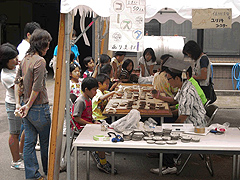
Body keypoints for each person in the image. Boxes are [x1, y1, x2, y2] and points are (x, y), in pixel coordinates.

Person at [150, 57, 206, 175]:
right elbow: (174, 100)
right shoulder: (184, 86)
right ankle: (170, 158)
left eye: (169, 79)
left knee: (165, 131)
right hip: (189, 121)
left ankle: (169, 165)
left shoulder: (187, 92)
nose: (168, 81)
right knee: (164, 123)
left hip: (195, 126)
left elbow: (183, 117)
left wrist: (169, 127)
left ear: (177, 78)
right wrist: (159, 97)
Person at [14, 29, 52, 180]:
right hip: (38, 106)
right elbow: (37, 87)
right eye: (47, 45)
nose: (48, 48)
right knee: (45, 142)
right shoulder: (40, 61)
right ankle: (48, 170)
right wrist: (28, 105)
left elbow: (17, 82)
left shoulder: (25, 59)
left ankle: (33, 175)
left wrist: (19, 104)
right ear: (41, 44)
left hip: (25, 106)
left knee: (29, 143)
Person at [72, 77, 117, 174]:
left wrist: (94, 121)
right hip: (81, 128)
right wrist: (91, 124)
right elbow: (76, 118)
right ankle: (102, 162)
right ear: (86, 89)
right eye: (94, 90)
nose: (96, 92)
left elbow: (88, 115)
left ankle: (100, 156)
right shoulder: (80, 101)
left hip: (88, 125)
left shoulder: (88, 99)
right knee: (100, 138)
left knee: (106, 128)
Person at [0, 43, 25, 170]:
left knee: (24, 129)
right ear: (5, 61)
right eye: (13, 59)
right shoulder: (6, 75)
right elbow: (20, 89)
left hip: (22, 103)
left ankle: (20, 154)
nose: (17, 60)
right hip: (12, 105)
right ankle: (15, 161)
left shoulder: (15, 66)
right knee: (14, 133)